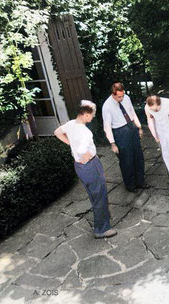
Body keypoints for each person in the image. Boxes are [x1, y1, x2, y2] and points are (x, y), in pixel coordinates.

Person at [54, 100, 117, 239]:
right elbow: (83, 151)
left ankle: (103, 219)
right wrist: (86, 157)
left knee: (94, 195)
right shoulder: (85, 132)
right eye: (92, 114)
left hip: (80, 167)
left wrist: (71, 144)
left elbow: (57, 132)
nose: (93, 117)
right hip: (89, 165)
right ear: (85, 114)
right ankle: (101, 229)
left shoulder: (71, 124)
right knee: (99, 196)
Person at [102, 82, 149, 193]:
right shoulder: (107, 106)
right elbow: (107, 126)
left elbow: (132, 112)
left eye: (122, 95)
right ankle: (131, 185)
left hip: (131, 127)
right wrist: (112, 143)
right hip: (120, 132)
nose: (122, 98)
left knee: (138, 156)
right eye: (119, 96)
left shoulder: (126, 98)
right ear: (113, 94)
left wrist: (139, 127)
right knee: (126, 160)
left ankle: (140, 182)